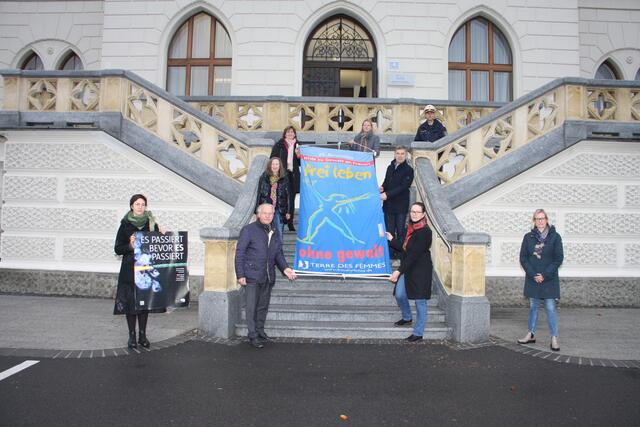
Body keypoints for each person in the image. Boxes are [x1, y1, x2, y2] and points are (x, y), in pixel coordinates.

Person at [235, 203, 297, 348]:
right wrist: (240, 274)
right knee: (252, 307)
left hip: (268, 275)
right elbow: (240, 254)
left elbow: (278, 253)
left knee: (263, 306)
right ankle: (252, 335)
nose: (268, 216)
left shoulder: (274, 230)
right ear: (258, 214)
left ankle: (260, 331)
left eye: (271, 213)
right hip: (251, 275)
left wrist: (285, 269)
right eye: (265, 213)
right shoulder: (248, 230)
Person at [114, 194, 167, 349]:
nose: (140, 207)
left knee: (144, 303)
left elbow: (159, 245)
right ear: (132, 206)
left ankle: (143, 335)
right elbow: (117, 248)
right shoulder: (124, 225)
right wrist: (130, 246)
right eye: (137, 204)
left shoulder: (151, 224)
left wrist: (163, 235)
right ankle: (132, 336)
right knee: (131, 304)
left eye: (143, 204)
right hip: (129, 271)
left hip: (145, 270)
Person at [517, 209, 564, 351]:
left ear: (547, 219)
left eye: (542, 218)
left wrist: (544, 275)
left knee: (550, 308)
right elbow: (523, 258)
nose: (540, 221)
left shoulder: (555, 237)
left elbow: (558, 259)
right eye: (537, 219)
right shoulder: (528, 237)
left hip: (549, 279)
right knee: (533, 308)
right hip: (533, 279)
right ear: (534, 221)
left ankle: (554, 337)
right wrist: (533, 274)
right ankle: (530, 334)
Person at [386, 202, 432, 342]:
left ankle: (418, 333)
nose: (414, 214)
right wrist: (391, 239)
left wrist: (398, 271)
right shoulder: (410, 228)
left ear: (423, 214)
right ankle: (407, 317)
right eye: (412, 211)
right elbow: (404, 248)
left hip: (420, 270)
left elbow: (413, 254)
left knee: (420, 301)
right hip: (408, 267)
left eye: (417, 212)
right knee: (400, 294)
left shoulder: (425, 232)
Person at [380, 146, 414, 259]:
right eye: (398, 153)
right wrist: (382, 188)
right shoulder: (390, 167)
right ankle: (389, 256)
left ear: (406, 155)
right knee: (388, 232)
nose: (400, 156)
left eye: (402, 153)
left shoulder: (409, 170)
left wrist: (387, 195)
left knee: (400, 232)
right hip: (388, 206)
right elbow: (386, 181)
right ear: (394, 154)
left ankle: (400, 257)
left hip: (400, 206)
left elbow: (403, 187)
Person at [270, 126, 300, 232]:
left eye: (292, 132)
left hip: (293, 175)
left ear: (295, 134)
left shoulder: (299, 145)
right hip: (281, 175)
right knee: (279, 197)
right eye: (288, 132)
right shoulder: (279, 145)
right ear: (285, 134)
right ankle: (280, 220)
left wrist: (298, 155)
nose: (290, 133)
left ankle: (290, 222)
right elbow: (273, 158)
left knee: (291, 199)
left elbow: (301, 163)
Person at [256, 157, 290, 238]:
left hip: (279, 209)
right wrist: (257, 211)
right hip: (266, 209)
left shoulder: (284, 178)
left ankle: (278, 251)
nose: (275, 166)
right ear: (270, 166)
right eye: (273, 164)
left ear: (280, 166)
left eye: (277, 164)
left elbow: (288, 195)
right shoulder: (264, 177)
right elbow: (259, 194)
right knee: (264, 234)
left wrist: (288, 211)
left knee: (278, 234)